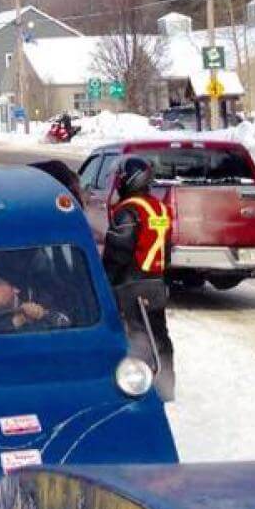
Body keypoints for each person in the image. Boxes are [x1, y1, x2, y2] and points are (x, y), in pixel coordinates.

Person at [103, 156, 176, 400]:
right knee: (159, 336)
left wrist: (105, 283)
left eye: (121, 177)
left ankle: (140, 389)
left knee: (134, 339)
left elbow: (117, 254)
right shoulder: (159, 208)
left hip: (130, 285)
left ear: (130, 180)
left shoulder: (128, 211)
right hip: (156, 282)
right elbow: (167, 249)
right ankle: (166, 385)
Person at [0, 273, 70, 334]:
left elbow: (65, 323)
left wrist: (43, 315)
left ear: (15, 288)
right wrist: (14, 322)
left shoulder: (40, 302)